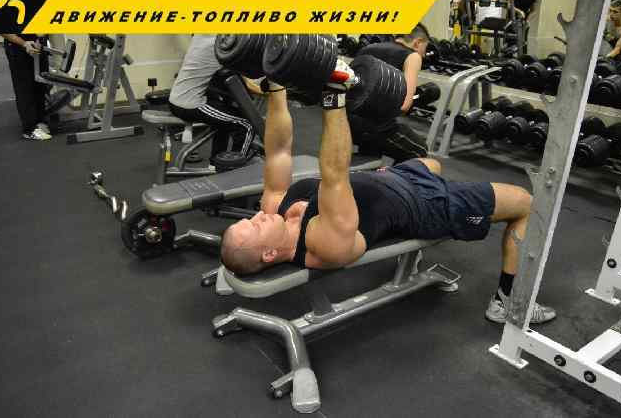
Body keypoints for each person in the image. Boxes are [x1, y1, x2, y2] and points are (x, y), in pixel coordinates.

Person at [220, 58, 557, 325]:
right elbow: (335, 174)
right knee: (526, 203)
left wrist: (276, 87)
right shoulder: (323, 244)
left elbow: (278, 150)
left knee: (431, 163)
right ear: (269, 254)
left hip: (393, 179)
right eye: (256, 225)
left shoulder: (275, 208)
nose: (258, 215)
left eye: (250, 218)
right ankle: (508, 301)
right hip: (424, 204)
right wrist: (334, 97)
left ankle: (416, 223)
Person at [168, 35, 263, 163]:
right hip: (189, 104)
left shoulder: (202, 35)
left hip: (178, 98)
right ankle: (235, 166)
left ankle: (217, 162)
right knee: (246, 125)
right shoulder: (220, 45)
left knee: (225, 120)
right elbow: (248, 81)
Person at [346, 24, 431, 163]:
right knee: (419, 150)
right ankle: (395, 178)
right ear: (417, 42)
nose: (424, 54)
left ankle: (369, 168)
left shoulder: (368, 48)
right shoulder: (413, 56)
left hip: (346, 124)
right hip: (375, 129)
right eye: (425, 49)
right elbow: (404, 105)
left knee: (373, 147)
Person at [0, 33, 52, 141]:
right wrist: (24, 43)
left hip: (38, 45)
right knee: (25, 88)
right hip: (18, 47)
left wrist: (43, 35)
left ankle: (39, 121)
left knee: (41, 85)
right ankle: (30, 129)